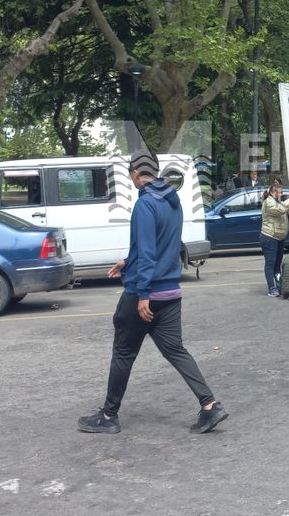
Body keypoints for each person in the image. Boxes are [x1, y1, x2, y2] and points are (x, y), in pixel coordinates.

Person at [78, 152, 227, 436]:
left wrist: (143, 293)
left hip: (144, 294)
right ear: (156, 172)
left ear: (135, 173)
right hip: (171, 292)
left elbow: (148, 252)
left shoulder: (145, 204)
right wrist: (127, 261)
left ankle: (109, 415)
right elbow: (161, 245)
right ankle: (210, 405)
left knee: (123, 352)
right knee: (175, 350)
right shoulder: (174, 202)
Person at [260, 178, 289, 297]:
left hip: (279, 237)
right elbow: (281, 210)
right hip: (269, 237)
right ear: (274, 192)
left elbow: (287, 209)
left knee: (278, 263)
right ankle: (271, 288)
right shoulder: (269, 202)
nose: (282, 194)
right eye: (280, 192)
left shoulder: (278, 201)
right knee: (270, 262)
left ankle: (279, 285)